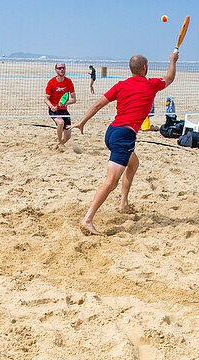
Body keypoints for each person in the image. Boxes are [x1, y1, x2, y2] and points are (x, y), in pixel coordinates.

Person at [71, 51, 178, 235]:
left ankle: (124, 203)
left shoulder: (121, 85)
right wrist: (172, 60)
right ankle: (87, 219)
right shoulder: (151, 84)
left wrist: (83, 122)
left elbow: (97, 105)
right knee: (111, 182)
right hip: (124, 136)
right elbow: (170, 77)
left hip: (111, 131)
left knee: (133, 163)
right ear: (144, 68)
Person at [45, 63, 76, 150]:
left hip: (63, 110)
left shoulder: (69, 82)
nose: (62, 69)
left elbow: (74, 99)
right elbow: (46, 99)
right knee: (60, 123)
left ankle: (59, 144)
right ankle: (60, 144)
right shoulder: (51, 82)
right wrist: (51, 106)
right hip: (54, 110)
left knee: (68, 136)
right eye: (59, 68)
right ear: (56, 70)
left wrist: (66, 103)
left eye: (63, 68)